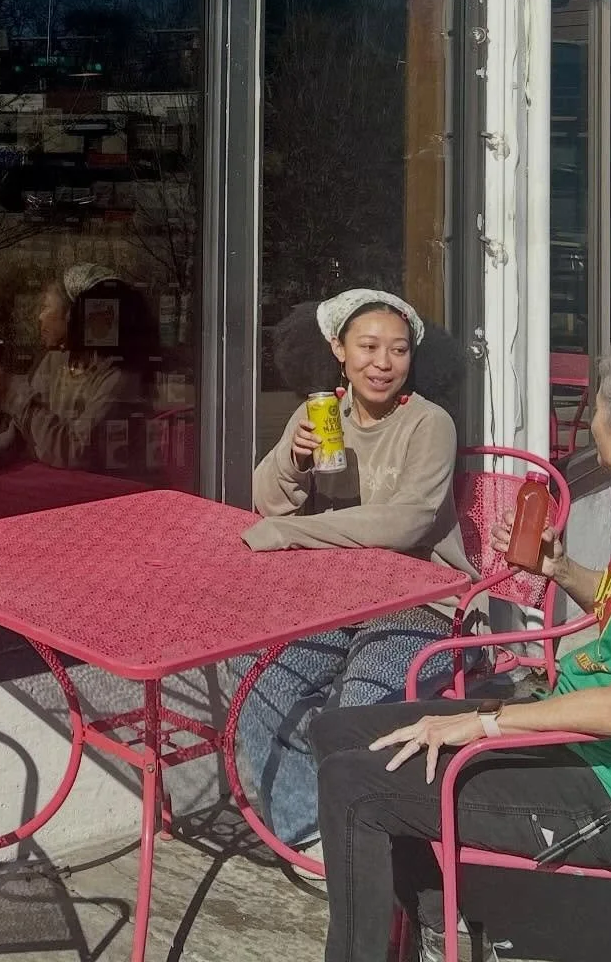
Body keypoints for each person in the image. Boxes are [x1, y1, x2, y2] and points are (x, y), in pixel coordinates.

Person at [311, 335, 611, 962]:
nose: (588, 420)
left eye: (597, 407)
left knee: (357, 787)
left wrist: (483, 722)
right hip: (588, 747)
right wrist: (562, 569)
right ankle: (437, 929)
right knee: (338, 732)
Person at [232, 290, 473, 851]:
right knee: (261, 690)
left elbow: (406, 524)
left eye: (397, 350)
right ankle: (314, 836)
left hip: (422, 605)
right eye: (367, 347)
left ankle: (368, 842)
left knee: (356, 713)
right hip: (335, 600)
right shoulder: (320, 413)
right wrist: (290, 458)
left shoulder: (429, 423)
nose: (382, 364)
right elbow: (270, 504)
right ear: (339, 351)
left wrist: (293, 534)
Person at [0, 263, 152, 473]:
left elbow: (77, 453)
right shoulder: (55, 362)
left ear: (75, 316)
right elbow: (28, 431)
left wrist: (14, 393)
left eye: (46, 307)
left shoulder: (119, 379)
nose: (40, 317)